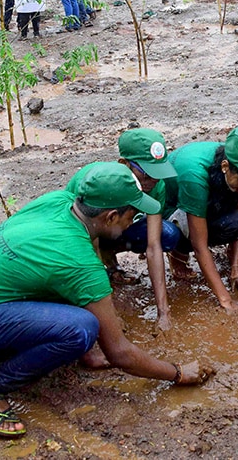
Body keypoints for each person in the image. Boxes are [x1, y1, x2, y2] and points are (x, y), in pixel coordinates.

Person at [0, 162, 212, 438]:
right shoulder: (79, 262)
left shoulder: (58, 201)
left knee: (69, 305)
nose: (132, 222)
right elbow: (120, 354)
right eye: (132, 215)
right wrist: (176, 372)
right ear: (111, 217)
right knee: (81, 329)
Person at [65, 129, 181, 331]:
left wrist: (164, 313)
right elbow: (87, 244)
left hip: (118, 229)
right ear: (124, 164)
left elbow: (153, 246)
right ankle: (109, 265)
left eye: (158, 173)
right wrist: (110, 315)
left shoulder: (156, 186)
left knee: (167, 234)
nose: (153, 181)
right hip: (82, 237)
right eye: (147, 174)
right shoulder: (95, 182)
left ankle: (111, 256)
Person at [163, 125, 238, 313]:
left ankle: (233, 253)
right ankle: (178, 253)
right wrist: (225, 299)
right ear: (225, 167)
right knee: (175, 234)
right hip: (174, 208)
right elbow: (199, 245)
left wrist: (236, 267)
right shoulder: (194, 176)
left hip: (211, 196)